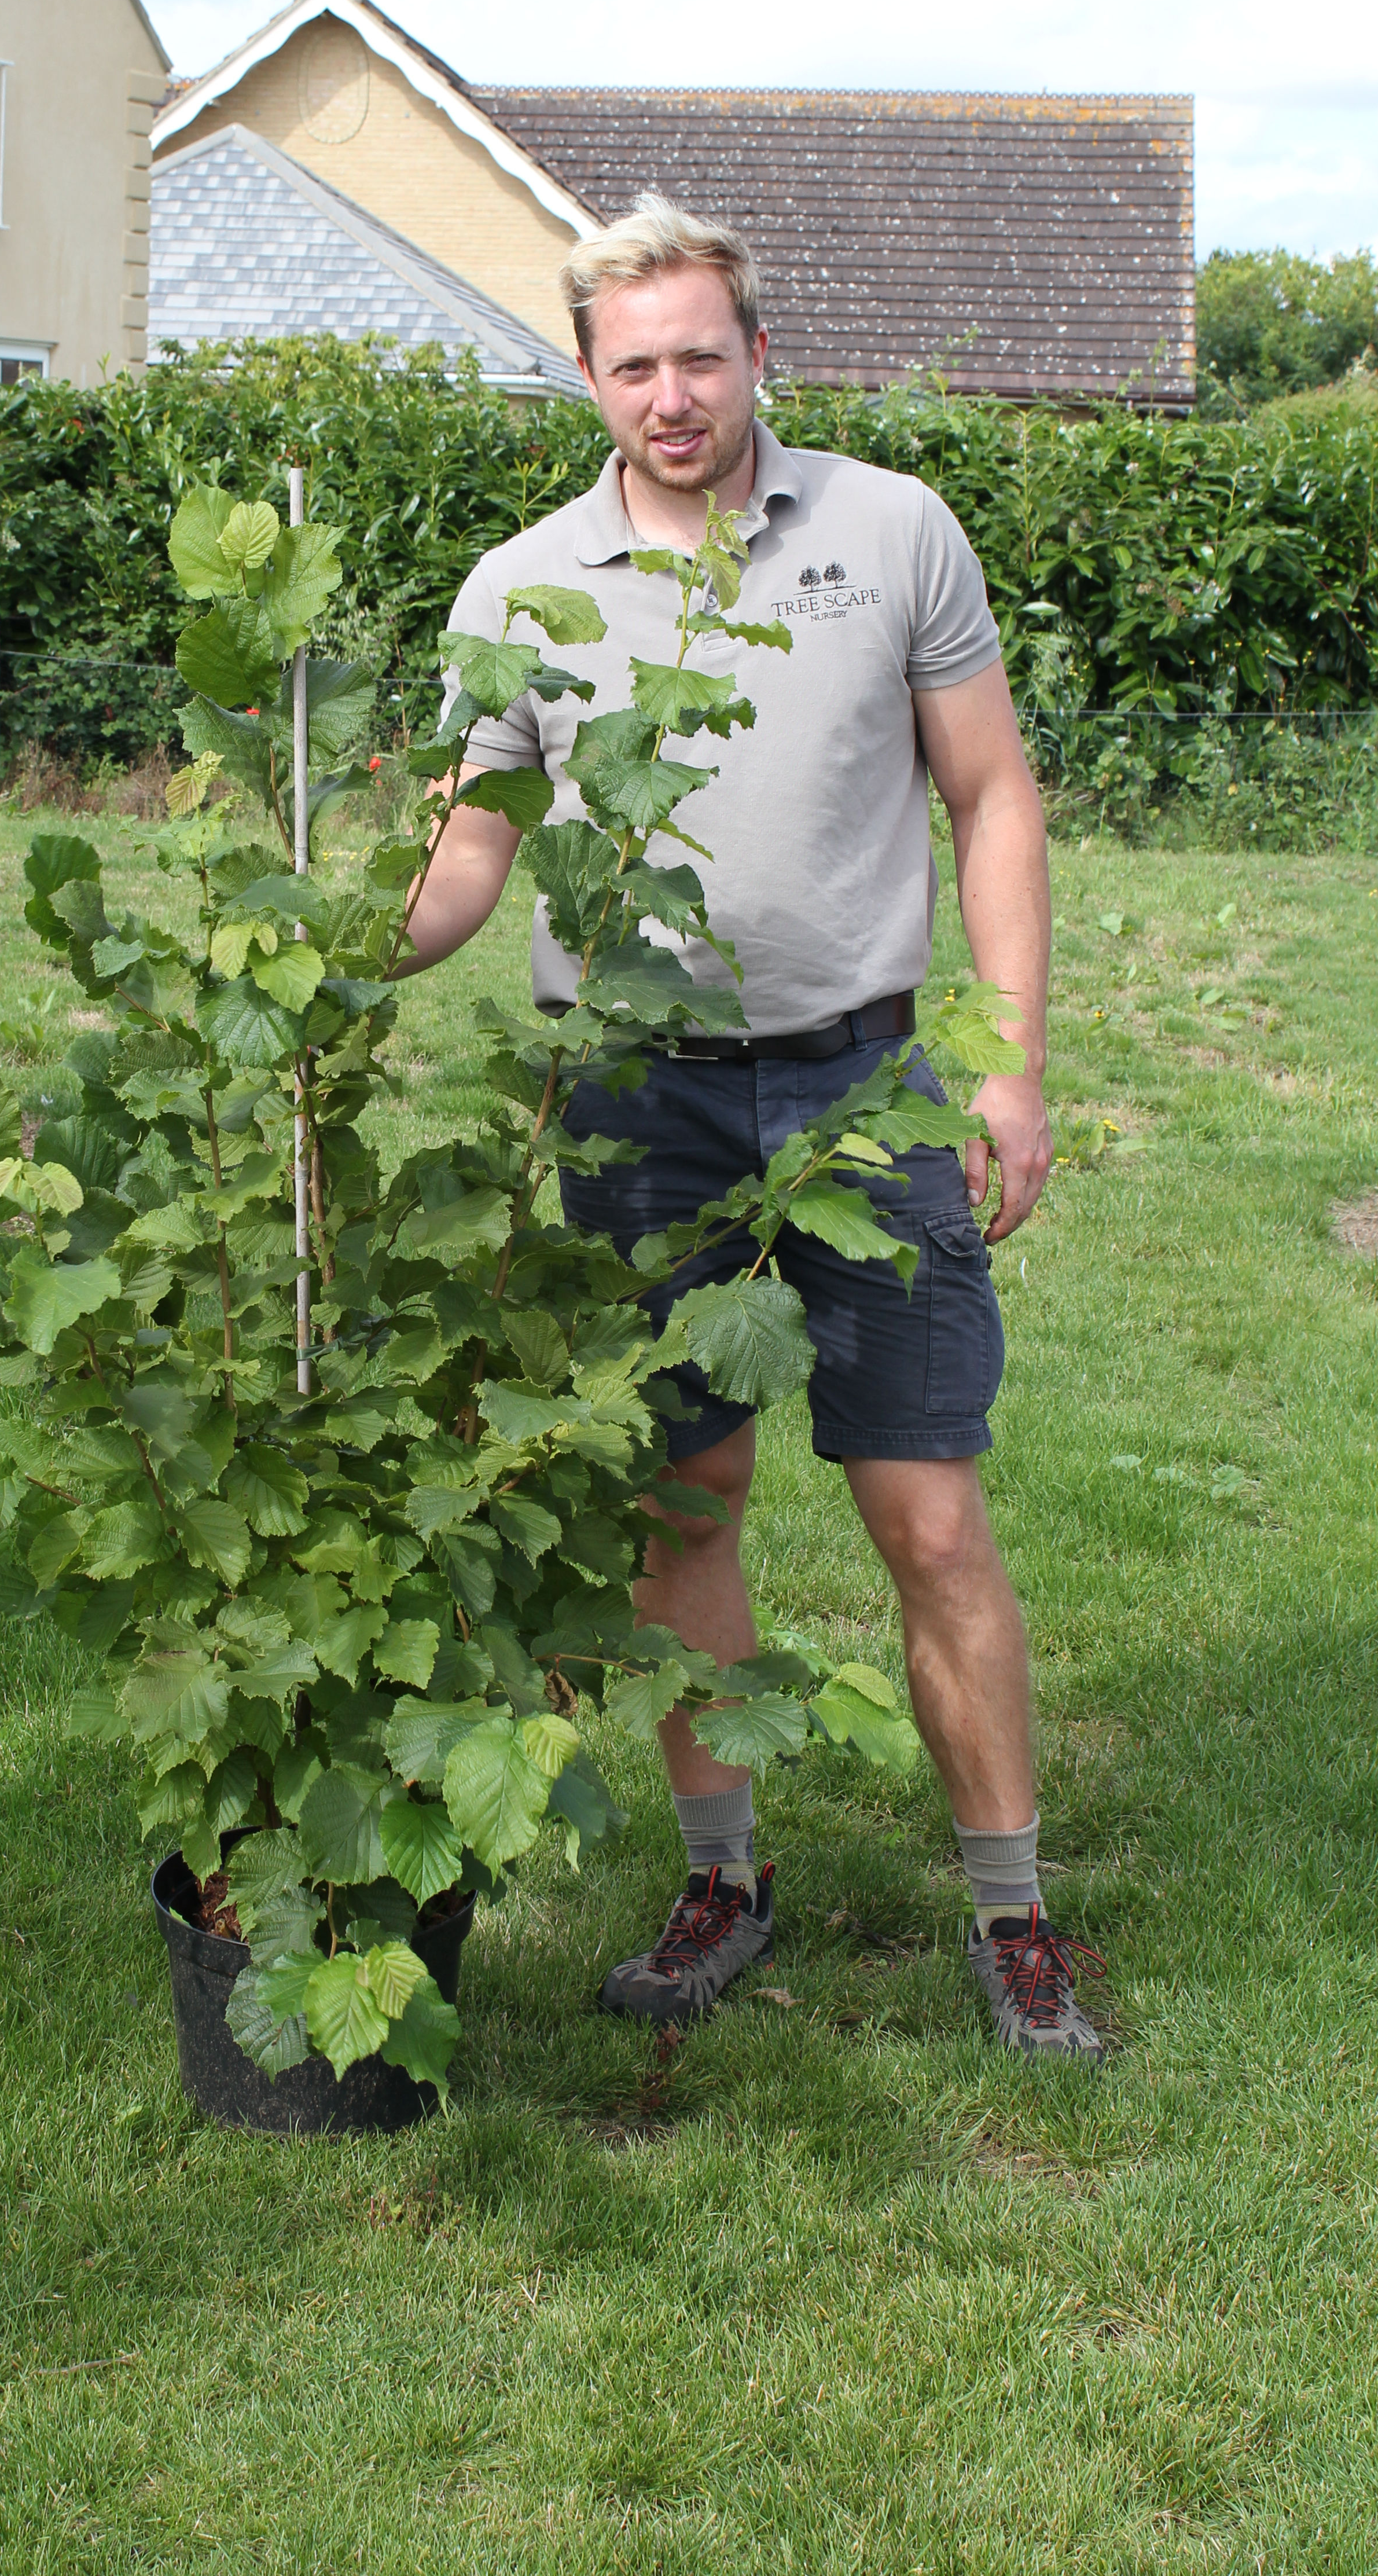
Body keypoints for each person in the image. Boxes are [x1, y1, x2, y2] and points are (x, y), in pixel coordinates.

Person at [400, 194, 1103, 2063]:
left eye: (701, 353)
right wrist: (350, 962)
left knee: (928, 1511)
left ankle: (1016, 1916)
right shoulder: (520, 591)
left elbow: (995, 795)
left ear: (759, 353)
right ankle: (729, 1877)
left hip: (869, 1084)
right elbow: (476, 842)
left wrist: (1012, 1062)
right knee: (676, 1497)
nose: (671, 394)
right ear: (587, 378)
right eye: (632, 364)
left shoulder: (889, 533)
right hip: (633, 1090)